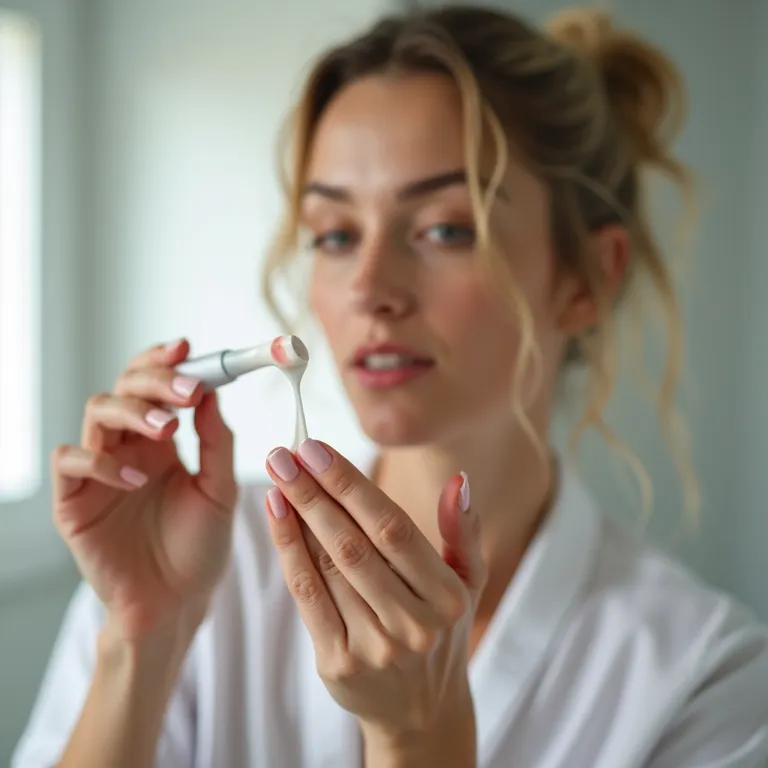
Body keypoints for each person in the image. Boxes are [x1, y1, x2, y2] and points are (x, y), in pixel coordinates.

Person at [12, 5, 768, 767]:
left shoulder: (705, 677)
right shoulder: (197, 565)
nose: (369, 287)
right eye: (336, 235)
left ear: (584, 279)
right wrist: (142, 639)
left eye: (445, 228)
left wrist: (419, 738)